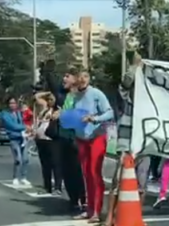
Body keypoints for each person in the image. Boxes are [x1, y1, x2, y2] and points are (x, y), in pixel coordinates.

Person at [105, 53, 152, 226]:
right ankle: (110, 216)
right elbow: (124, 84)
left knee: (141, 182)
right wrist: (135, 66)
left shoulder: (151, 102)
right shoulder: (127, 99)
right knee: (118, 181)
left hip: (145, 145)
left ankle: (136, 216)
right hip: (126, 143)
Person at [73, 70, 115, 223]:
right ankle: (89, 209)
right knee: (86, 174)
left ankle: (97, 210)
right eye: (80, 77)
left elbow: (110, 113)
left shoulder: (97, 93)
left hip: (96, 137)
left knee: (94, 172)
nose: (82, 79)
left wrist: (94, 118)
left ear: (89, 79)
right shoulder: (75, 96)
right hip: (81, 138)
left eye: (85, 76)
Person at [57, 70, 86, 212]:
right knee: (67, 171)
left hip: (77, 137)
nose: (64, 79)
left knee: (78, 170)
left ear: (76, 79)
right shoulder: (65, 96)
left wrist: (62, 114)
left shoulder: (81, 96)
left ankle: (83, 198)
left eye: (67, 76)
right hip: (63, 137)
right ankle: (73, 199)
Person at [34, 92, 62, 195]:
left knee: (55, 163)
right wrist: (48, 93)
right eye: (48, 99)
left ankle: (57, 187)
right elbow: (37, 97)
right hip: (41, 140)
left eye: (52, 99)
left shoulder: (58, 110)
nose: (50, 101)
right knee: (45, 165)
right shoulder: (45, 109)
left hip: (52, 140)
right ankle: (47, 186)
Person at [1, 96, 31, 186]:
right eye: (10, 103)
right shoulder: (5, 114)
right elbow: (12, 126)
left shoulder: (19, 113)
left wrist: (28, 129)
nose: (12, 105)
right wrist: (25, 127)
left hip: (23, 138)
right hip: (14, 138)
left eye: (14, 103)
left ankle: (24, 177)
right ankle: (15, 177)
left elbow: (26, 120)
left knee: (25, 159)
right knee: (18, 159)